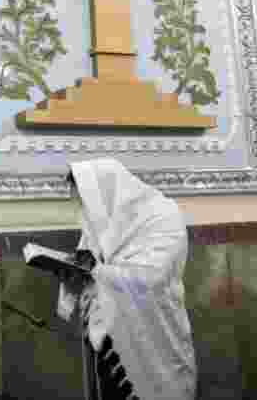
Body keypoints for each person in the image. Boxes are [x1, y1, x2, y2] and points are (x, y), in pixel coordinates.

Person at [57, 158, 197, 400]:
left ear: (105, 190)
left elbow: (154, 277)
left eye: (85, 198)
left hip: (155, 335)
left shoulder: (162, 215)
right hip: (108, 340)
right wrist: (71, 270)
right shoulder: (99, 219)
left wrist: (97, 272)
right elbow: (89, 258)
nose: (84, 206)